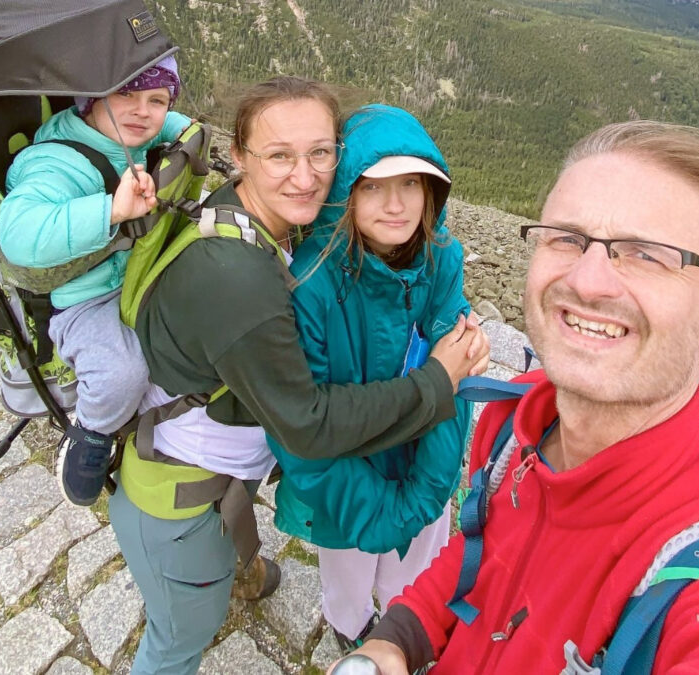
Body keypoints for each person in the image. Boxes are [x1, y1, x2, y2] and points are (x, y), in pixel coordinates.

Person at [343, 120, 699, 673]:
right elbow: (480, 549)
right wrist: (395, 640)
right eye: (567, 238)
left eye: (648, 253)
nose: (588, 281)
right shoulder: (517, 418)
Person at [108, 77, 490, 675]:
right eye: (280, 155)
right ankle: (215, 586)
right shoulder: (241, 281)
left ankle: (242, 573)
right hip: (177, 499)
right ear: (239, 156)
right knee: (186, 633)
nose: (306, 176)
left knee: (220, 565)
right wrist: (438, 382)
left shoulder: (254, 220)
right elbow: (308, 426)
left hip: (213, 476)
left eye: (320, 154)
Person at [267, 103, 470, 653]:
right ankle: (351, 631)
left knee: (414, 580)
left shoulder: (442, 261)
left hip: (422, 469)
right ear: (346, 195)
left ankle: (401, 636)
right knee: (349, 582)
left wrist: (423, 496)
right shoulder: (309, 287)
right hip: (345, 485)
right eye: (375, 186)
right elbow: (301, 432)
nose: (397, 203)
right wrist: (386, 514)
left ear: (433, 192)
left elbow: (459, 388)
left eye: (412, 183)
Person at [0, 55, 189, 506]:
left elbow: (169, 124)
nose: (142, 111)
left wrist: (188, 130)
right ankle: (91, 432)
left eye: (156, 99)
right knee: (123, 373)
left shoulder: (126, 129)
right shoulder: (55, 163)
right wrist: (112, 212)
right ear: (91, 99)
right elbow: (20, 237)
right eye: (126, 93)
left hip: (138, 273)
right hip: (84, 298)